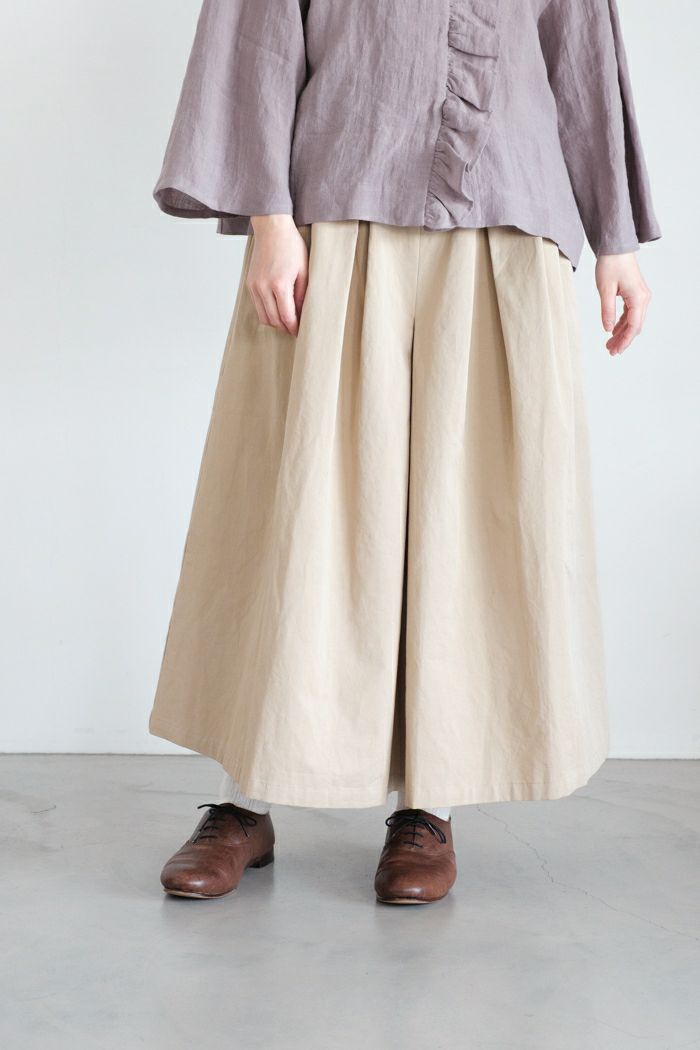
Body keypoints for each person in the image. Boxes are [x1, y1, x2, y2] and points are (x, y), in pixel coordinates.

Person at [147, 0, 661, 905]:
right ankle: (244, 800)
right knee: (299, 515)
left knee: (468, 525)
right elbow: (254, 35)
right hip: (337, 209)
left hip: (506, 220)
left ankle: (429, 807)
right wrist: (271, 221)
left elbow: (579, 46)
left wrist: (615, 241)